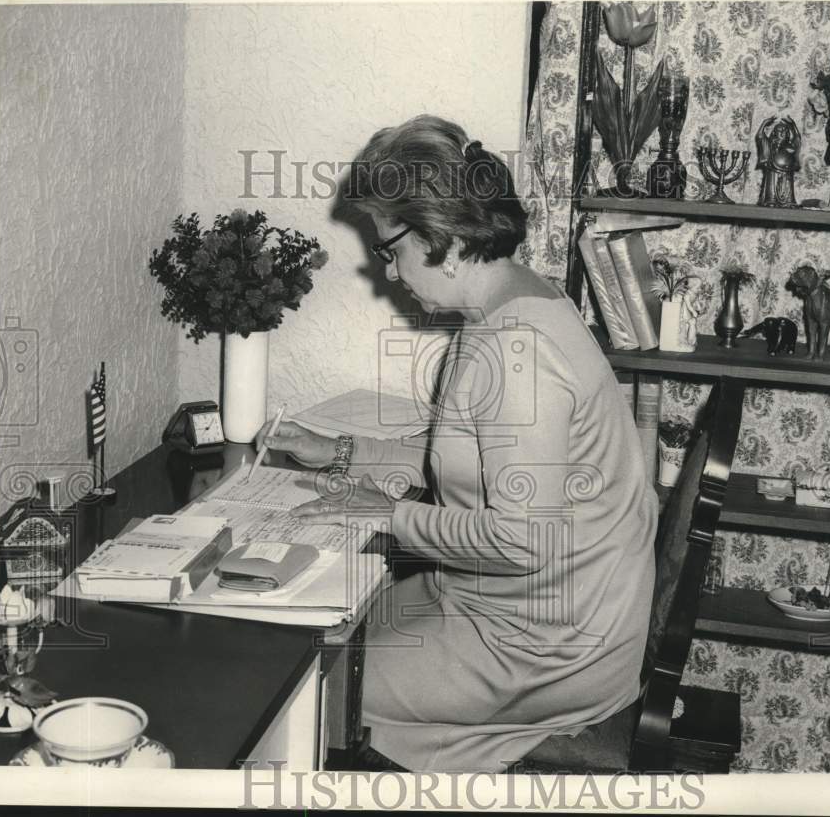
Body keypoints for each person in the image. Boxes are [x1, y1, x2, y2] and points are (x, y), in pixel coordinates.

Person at [255, 115, 657, 772]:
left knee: (306, 687)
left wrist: (386, 514)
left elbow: (524, 538)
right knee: (324, 630)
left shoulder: (515, 352)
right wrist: (336, 451)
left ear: (438, 232)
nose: (387, 271)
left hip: (549, 642)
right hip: (510, 601)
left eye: (390, 249)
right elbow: (465, 459)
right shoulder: (509, 299)